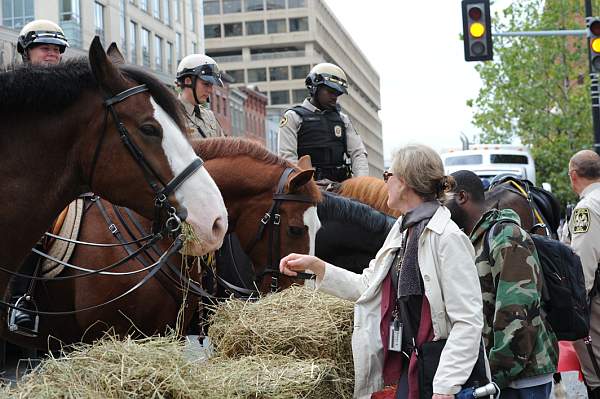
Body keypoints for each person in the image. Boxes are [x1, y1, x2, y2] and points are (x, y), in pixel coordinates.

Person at [280, 144, 484, 399]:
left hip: (439, 375)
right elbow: (368, 284)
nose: (384, 182)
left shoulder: (448, 238)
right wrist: (317, 266)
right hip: (412, 367)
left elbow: (468, 320)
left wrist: (445, 387)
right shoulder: (402, 228)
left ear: (406, 182)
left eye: (388, 175)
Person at [445, 170, 558, 398]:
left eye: (443, 198)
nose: (439, 206)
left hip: (522, 378)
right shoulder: (474, 238)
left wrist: (495, 376)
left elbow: (518, 312)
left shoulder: (505, 235)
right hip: (504, 375)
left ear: (462, 197)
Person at [8, 19, 69, 335]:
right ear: (26, 52)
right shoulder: (14, 91)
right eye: (45, 47)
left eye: (57, 49)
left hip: (68, 181)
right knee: (32, 227)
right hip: (22, 183)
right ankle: (21, 302)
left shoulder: (68, 93)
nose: (52, 54)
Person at [278, 63, 368, 183]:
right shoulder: (293, 117)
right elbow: (288, 158)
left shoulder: (343, 119)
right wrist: (305, 186)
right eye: (331, 91)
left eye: (338, 93)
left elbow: (358, 154)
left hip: (341, 189)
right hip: (308, 190)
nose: (335, 97)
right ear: (314, 87)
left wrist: (361, 185)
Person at [566, 150, 600, 398]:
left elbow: (582, 264)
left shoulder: (586, 208)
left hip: (596, 304)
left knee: (596, 374)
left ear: (573, 175)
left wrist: (575, 307)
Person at [175, 54, 225, 139]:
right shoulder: (171, 115)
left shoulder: (210, 116)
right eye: (206, 84)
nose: (210, 90)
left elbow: (224, 148)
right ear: (188, 81)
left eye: (211, 85)